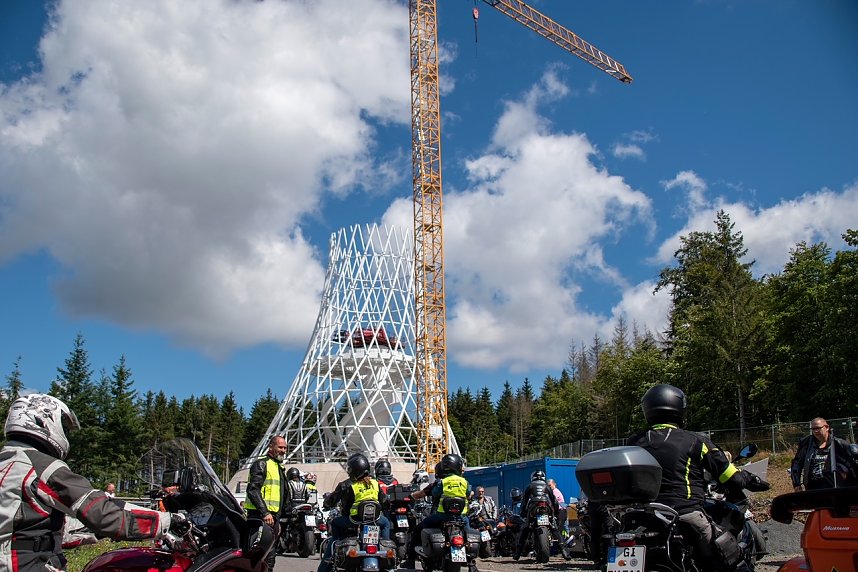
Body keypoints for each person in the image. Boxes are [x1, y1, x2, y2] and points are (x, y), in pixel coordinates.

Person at [0, 393, 181, 571]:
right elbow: (99, 510)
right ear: (42, 420)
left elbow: (49, 531)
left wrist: (98, 531)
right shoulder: (41, 466)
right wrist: (169, 521)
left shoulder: (8, 462)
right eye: (62, 425)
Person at [627, 384, 769, 572]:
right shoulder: (695, 441)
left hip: (639, 517)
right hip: (685, 514)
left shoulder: (633, 443)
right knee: (727, 556)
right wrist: (750, 479)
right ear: (679, 409)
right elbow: (731, 478)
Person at [318, 453, 390, 572]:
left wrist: (327, 504)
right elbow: (385, 501)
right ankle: (386, 548)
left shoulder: (347, 485)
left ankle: (327, 561)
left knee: (335, 524)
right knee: (386, 523)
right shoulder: (375, 483)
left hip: (353, 521)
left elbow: (332, 501)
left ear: (353, 470)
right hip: (374, 520)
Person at [402, 454, 475, 572]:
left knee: (418, 529)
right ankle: (472, 563)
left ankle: (410, 560)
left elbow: (431, 493)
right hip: (461, 517)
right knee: (467, 532)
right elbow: (469, 493)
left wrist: (409, 496)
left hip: (441, 516)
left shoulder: (441, 483)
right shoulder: (464, 482)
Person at [244, 434, 287, 572]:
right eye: (280, 447)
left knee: (270, 556)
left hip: (272, 518)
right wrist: (265, 512)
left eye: (285, 448)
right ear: (271, 446)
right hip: (259, 517)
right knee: (256, 554)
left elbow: (282, 494)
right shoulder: (261, 464)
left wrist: (280, 517)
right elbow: (253, 489)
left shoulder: (279, 467)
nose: (283, 450)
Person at [514, 470, 570, 561]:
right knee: (554, 529)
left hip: (533, 508)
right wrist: (555, 512)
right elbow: (554, 501)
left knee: (526, 528)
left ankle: (517, 553)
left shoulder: (530, 486)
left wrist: (523, 513)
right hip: (546, 508)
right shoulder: (547, 486)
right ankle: (565, 552)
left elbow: (524, 501)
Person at [790, 417, 858, 491]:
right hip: (812, 487)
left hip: (834, 487)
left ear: (827, 427)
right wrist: (796, 484)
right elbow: (797, 463)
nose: (815, 431)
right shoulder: (806, 443)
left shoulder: (840, 444)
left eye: (818, 428)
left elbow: (852, 466)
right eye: (813, 429)